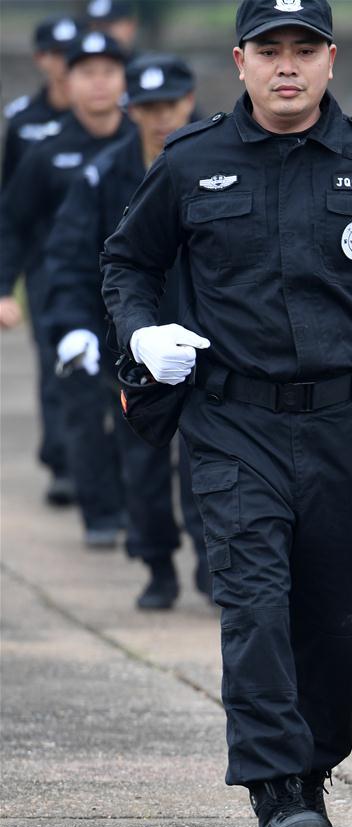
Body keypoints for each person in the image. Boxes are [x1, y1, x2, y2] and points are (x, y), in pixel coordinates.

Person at [101, 0, 352, 827]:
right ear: (238, 61)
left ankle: (308, 770)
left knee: (333, 611)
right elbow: (128, 261)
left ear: (330, 60)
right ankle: (278, 791)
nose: (287, 65)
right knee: (254, 600)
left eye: (303, 49)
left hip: (346, 428)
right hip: (232, 422)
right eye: (268, 49)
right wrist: (141, 333)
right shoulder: (191, 162)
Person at [45, 53, 211, 609]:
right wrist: (73, 329)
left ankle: (214, 568)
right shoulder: (102, 176)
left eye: (169, 105)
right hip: (133, 346)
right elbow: (68, 259)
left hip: (210, 347)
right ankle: (156, 563)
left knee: (208, 467)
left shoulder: (225, 161)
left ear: (189, 102)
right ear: (130, 110)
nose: (161, 117)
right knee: (139, 465)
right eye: (147, 107)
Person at [0, 32, 134, 540]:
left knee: (132, 400)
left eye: (108, 71)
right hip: (59, 289)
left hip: (132, 294)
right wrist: (3, 288)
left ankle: (130, 497)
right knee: (74, 395)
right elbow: (11, 221)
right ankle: (96, 510)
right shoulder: (47, 151)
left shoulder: (144, 147)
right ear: (67, 80)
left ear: (123, 80)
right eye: (87, 72)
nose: (99, 83)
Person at [2, 14, 83, 186]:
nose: (67, 61)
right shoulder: (22, 118)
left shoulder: (102, 116)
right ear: (40, 58)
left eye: (73, 51)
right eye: (58, 53)